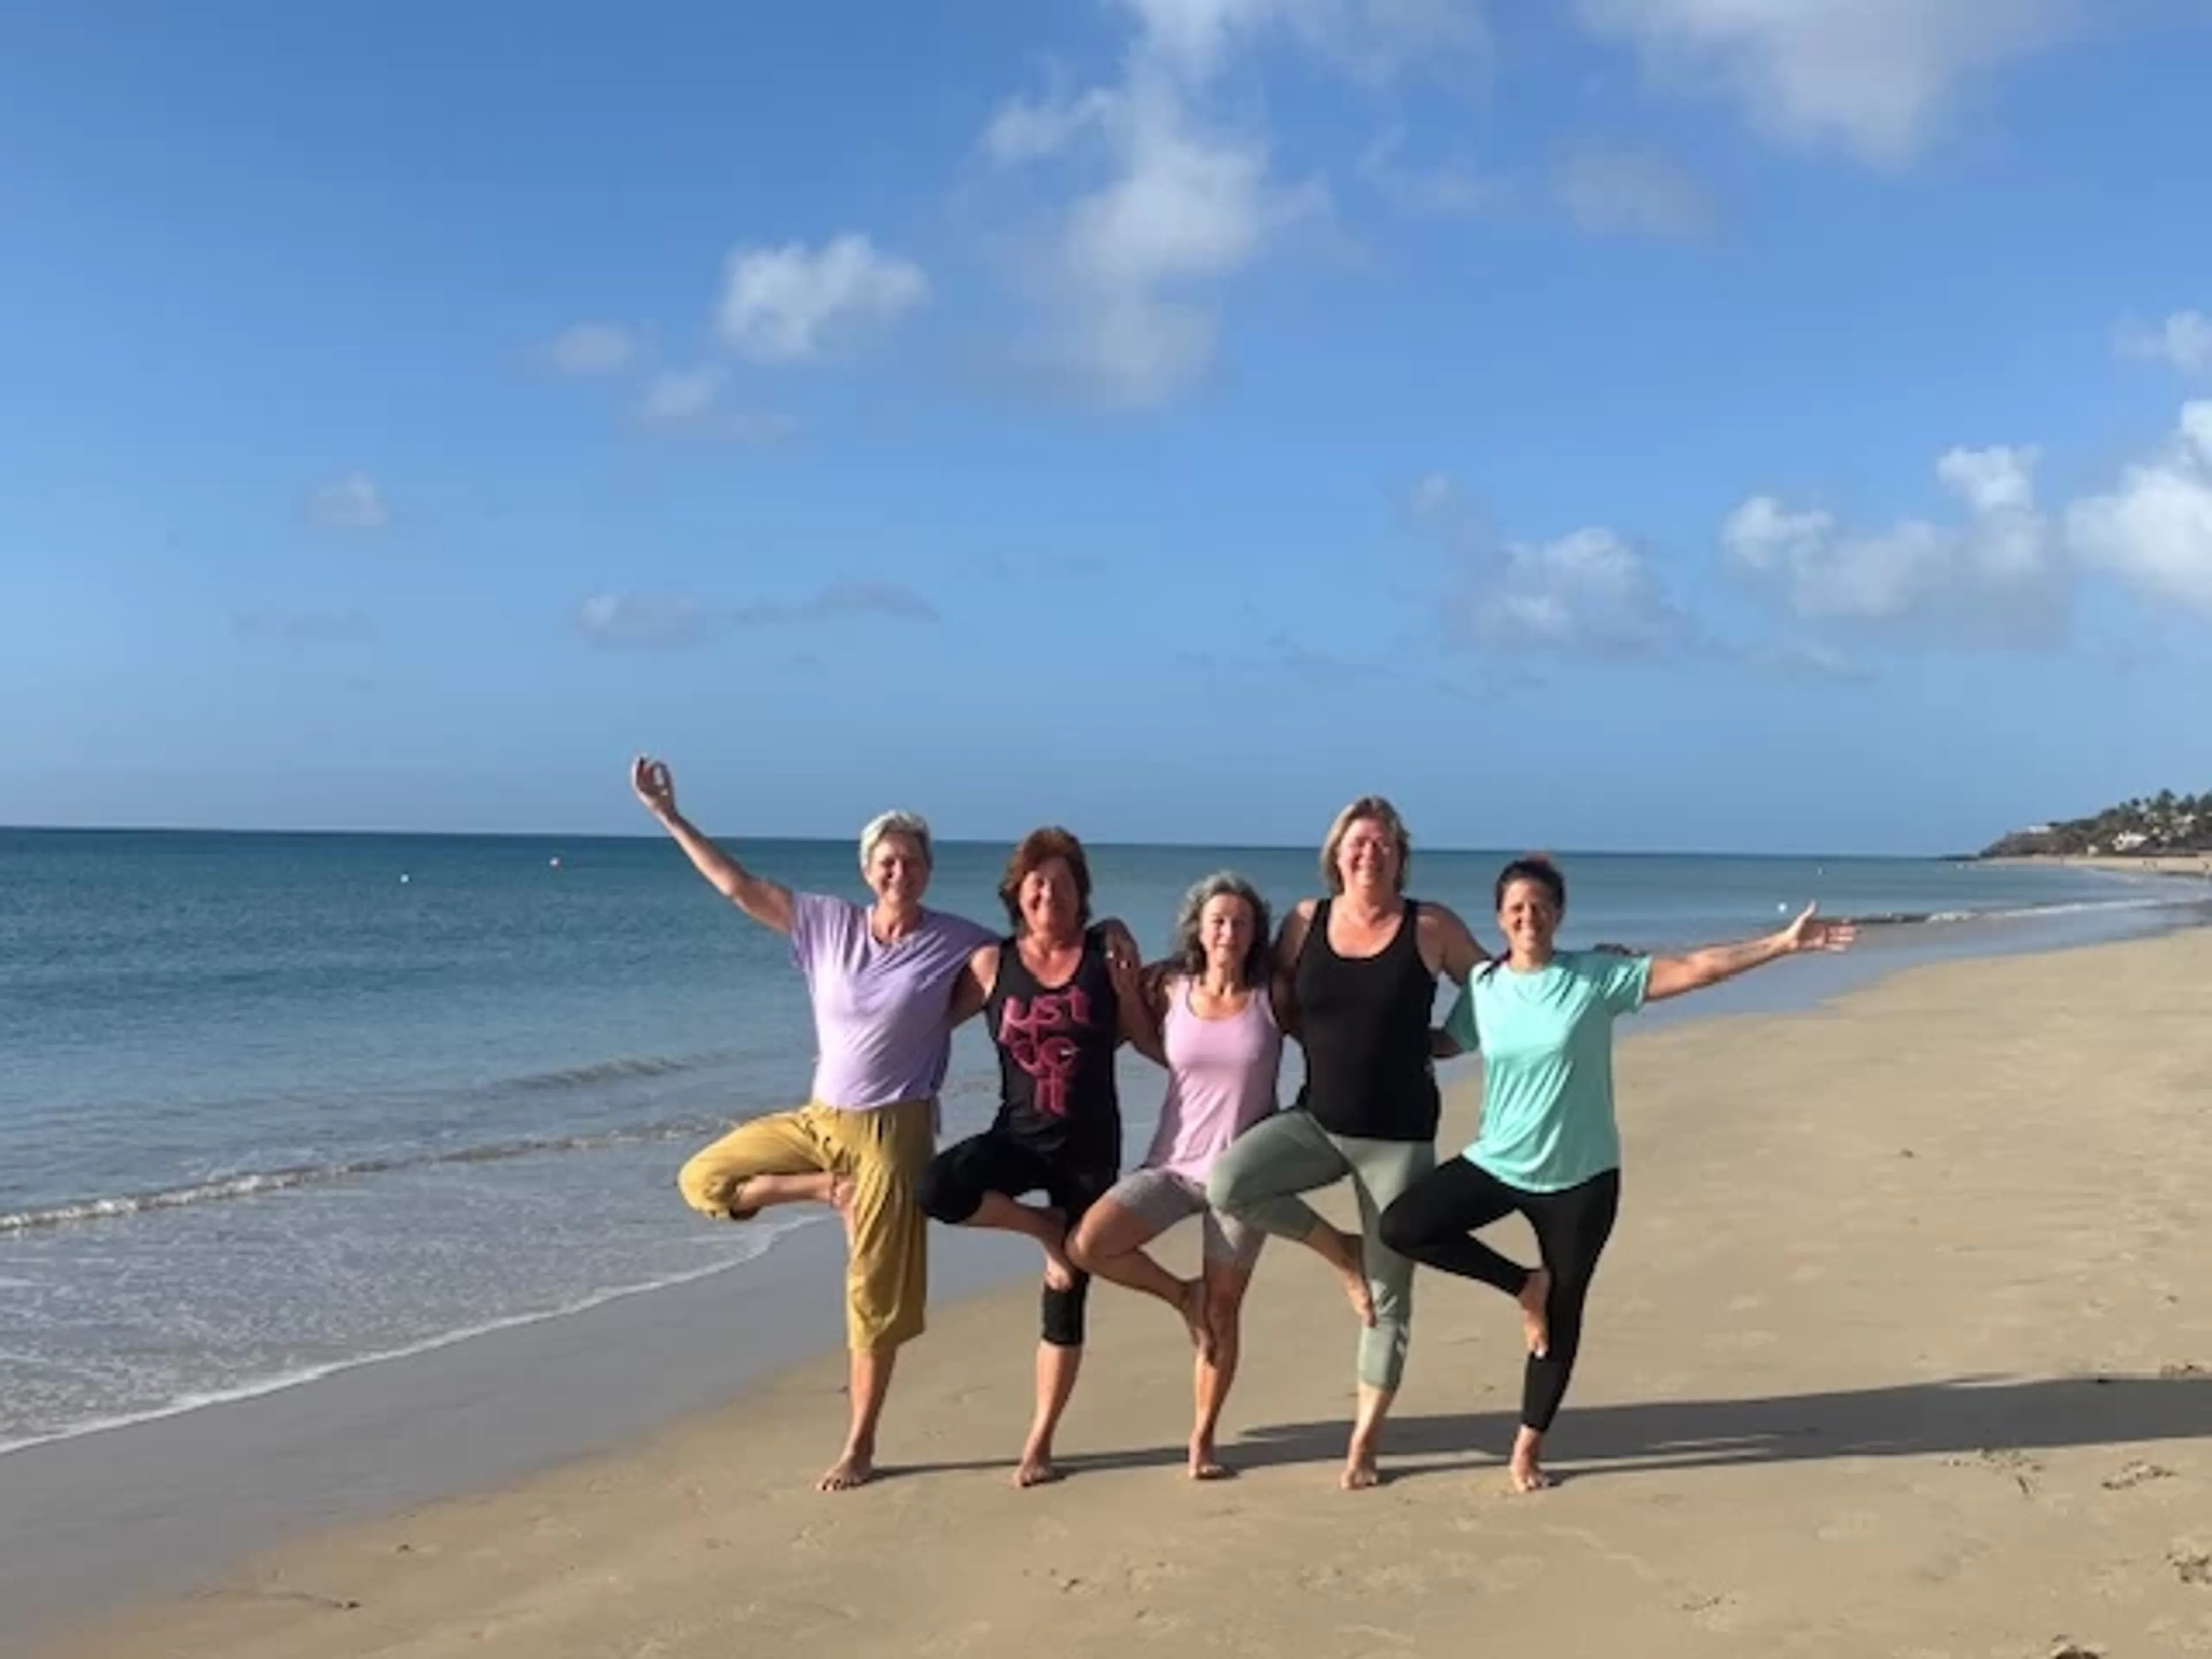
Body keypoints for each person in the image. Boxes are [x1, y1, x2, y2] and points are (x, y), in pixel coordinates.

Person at [1380, 853, 1858, 1493]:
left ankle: (1526, 1448)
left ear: (1558, 915)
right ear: (1499, 919)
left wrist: (1781, 945)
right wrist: (1365, 1032)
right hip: (1499, 1162)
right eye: (1517, 908)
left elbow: (1693, 969)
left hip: (1582, 1181)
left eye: (1541, 907)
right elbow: (1445, 1043)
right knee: (1404, 1225)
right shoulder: (1486, 990)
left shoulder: (1593, 978)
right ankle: (1525, 1284)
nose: (1529, 917)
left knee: (1565, 1317)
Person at [636, 755, 994, 1493]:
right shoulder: (826, 922)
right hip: (818, 1122)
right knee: (701, 1177)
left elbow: (1019, 968)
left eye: (912, 861)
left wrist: (944, 1021)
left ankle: (860, 1444)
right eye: (887, 861)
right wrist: (670, 816)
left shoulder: (959, 938)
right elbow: (737, 886)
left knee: (872, 1294)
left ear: (928, 871)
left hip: (894, 1132)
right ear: (868, 870)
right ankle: (821, 1190)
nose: (899, 872)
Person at [1207, 795, 1488, 1490]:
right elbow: (1262, 987)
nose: (1369, 853)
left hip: (1399, 1142)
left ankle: (1364, 1444)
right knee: (1231, 1185)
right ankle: (1341, 1252)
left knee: (1391, 1298)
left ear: (1400, 855)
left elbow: (1491, 984)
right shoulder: (1306, 921)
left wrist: (1453, 1040)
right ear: (1336, 853)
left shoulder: (1430, 925)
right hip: (1318, 1122)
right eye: (1357, 843)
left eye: (1383, 844)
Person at [919, 827, 1147, 1489]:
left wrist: (1130, 982)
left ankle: (1039, 1442)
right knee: (937, 1190)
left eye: (1063, 883)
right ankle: (1046, 1231)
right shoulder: (993, 964)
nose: (1049, 892)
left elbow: (1138, 1036)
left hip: (1089, 1152)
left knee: (1066, 1299)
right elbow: (928, 1020)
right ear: (1017, 893)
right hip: (1016, 1138)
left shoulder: (1106, 952)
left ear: (1082, 897)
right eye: (1037, 882)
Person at [1066, 871, 1284, 1480]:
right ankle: (1179, 1294)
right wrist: (1109, 928)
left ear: (1254, 932)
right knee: (1090, 1243)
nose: (1228, 932)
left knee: (1225, 1311)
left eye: (1240, 922)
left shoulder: (1274, 995)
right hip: (1171, 1166)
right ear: (1199, 927)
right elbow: (1133, 1026)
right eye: (1218, 920)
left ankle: (1202, 1439)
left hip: (1243, 1178)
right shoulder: (1172, 985)